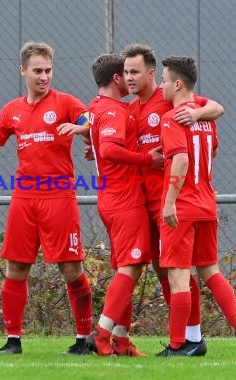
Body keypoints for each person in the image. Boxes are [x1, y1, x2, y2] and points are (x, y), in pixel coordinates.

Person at [0, 41, 93, 355]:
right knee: (17, 268)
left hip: (59, 197)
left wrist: (79, 127)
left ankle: (83, 339)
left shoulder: (66, 102)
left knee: (71, 269)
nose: (44, 76)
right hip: (24, 198)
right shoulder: (12, 110)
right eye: (37, 71)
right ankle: (13, 341)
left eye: (48, 70)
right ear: (23, 71)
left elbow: (92, 122)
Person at [122, 43, 224, 355]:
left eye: (134, 71)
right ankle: (193, 336)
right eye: (125, 72)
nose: (128, 77)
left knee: (178, 271)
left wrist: (196, 112)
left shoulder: (169, 103)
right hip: (146, 202)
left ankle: (189, 338)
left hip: (174, 201)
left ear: (153, 74)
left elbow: (216, 107)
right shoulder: (131, 109)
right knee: (166, 269)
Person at [156, 55, 236, 357]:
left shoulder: (172, 117)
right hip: (206, 202)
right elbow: (210, 149)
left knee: (177, 276)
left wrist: (170, 201)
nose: (161, 85)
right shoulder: (205, 117)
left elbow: (182, 159)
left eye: (163, 80)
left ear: (177, 83)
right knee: (210, 271)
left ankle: (178, 345)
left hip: (183, 205)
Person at [77, 54, 161, 357]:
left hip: (111, 198)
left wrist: (93, 146)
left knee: (128, 268)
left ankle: (122, 342)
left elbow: (95, 138)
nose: (129, 79)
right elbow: (110, 149)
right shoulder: (111, 111)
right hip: (124, 199)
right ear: (116, 78)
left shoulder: (95, 107)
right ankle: (101, 336)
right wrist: (148, 159)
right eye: (125, 73)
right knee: (131, 267)